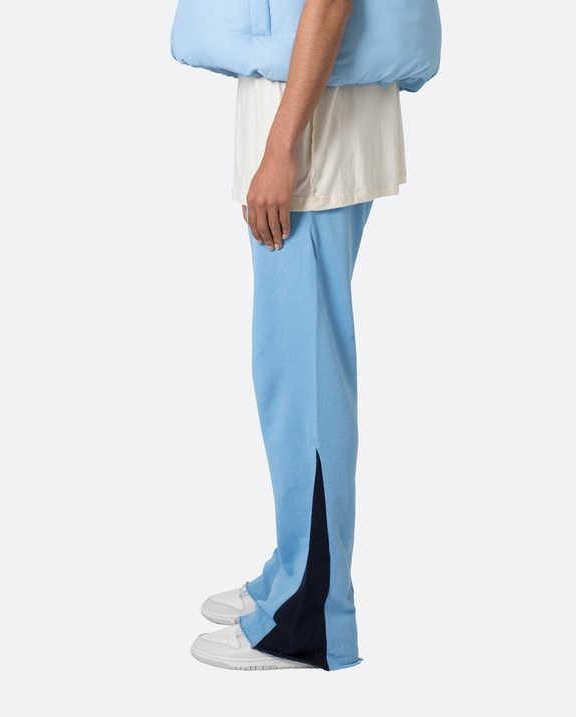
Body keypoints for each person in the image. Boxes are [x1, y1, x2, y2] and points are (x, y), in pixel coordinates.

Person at [171, 0, 441, 671]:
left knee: (303, 383)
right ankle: (294, 570)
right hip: (314, 104)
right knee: (292, 371)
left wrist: (281, 147)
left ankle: (309, 617)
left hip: (310, 123)